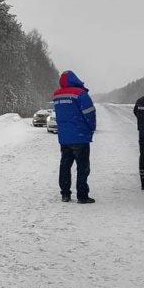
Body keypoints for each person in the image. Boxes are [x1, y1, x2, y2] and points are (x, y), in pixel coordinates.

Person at [53, 70, 97, 203]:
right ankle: (82, 196)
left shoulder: (57, 95)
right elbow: (89, 114)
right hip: (80, 136)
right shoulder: (80, 94)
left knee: (65, 165)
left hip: (64, 137)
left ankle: (65, 194)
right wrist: (91, 128)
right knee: (83, 167)